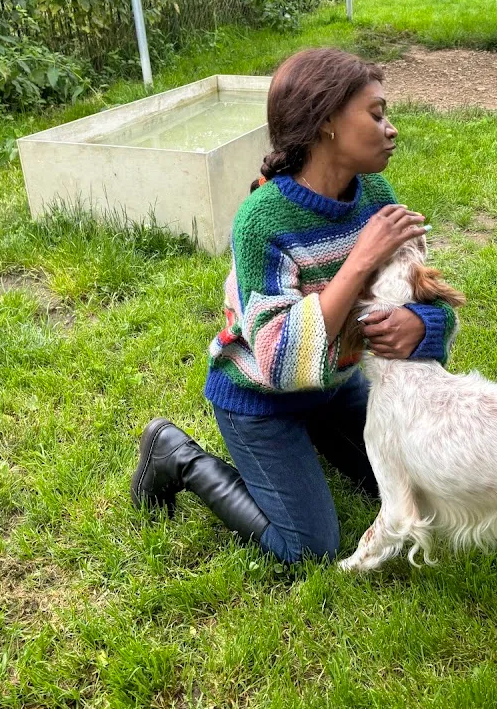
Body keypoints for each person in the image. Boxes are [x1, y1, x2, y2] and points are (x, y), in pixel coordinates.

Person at [130, 48, 459, 563]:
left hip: (333, 387)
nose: (391, 128)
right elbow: (279, 361)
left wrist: (423, 325)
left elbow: (422, 288)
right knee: (309, 548)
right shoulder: (261, 219)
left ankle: (318, 431)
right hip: (262, 399)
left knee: (425, 495)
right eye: (376, 114)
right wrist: (359, 260)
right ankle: (177, 455)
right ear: (326, 122)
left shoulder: (373, 191)